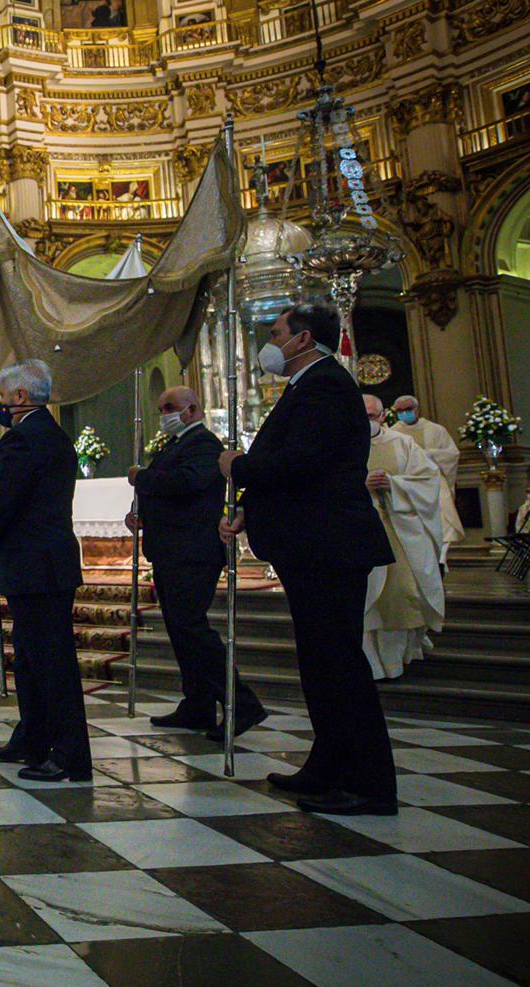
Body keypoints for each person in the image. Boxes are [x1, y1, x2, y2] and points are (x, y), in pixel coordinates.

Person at [218, 304, 397, 816]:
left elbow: (301, 462)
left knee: (339, 665)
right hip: (313, 540)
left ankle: (369, 784)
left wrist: (239, 466)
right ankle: (329, 765)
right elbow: (304, 475)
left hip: (329, 544)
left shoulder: (323, 385)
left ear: (303, 339)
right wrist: (249, 510)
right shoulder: (309, 386)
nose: (269, 342)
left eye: (276, 333)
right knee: (320, 665)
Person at [0, 360, 92, 782]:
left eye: (6, 397)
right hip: (46, 561)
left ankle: (69, 755)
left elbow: (3, 501)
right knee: (29, 659)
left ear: (20, 397)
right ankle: (35, 737)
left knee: (50, 663)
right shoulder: (50, 436)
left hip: (34, 564)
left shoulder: (23, 440)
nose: (4, 404)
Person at [127, 386, 266, 737]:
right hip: (172, 548)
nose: (163, 414)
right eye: (160, 407)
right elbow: (168, 495)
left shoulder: (203, 444)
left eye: (169, 407)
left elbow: (187, 483)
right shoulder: (176, 445)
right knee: (180, 629)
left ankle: (242, 703)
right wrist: (144, 515)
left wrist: (141, 477)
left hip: (193, 551)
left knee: (190, 627)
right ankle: (198, 704)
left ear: (191, 409)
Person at [362, 394, 445, 681]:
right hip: (361, 531)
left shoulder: (402, 444)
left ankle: (397, 661)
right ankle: (371, 664)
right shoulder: (342, 446)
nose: (367, 422)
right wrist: (363, 485)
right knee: (367, 603)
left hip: (398, 530)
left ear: (383, 416)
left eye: (372, 416)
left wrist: (393, 484)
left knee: (402, 596)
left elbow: (428, 481)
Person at [391, 394, 463, 563]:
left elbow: (452, 454)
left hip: (434, 479)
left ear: (416, 409)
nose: (403, 414)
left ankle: (442, 557)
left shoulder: (436, 430)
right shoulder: (393, 432)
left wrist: (430, 455)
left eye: (407, 410)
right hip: (407, 481)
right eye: (399, 411)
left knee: (444, 514)